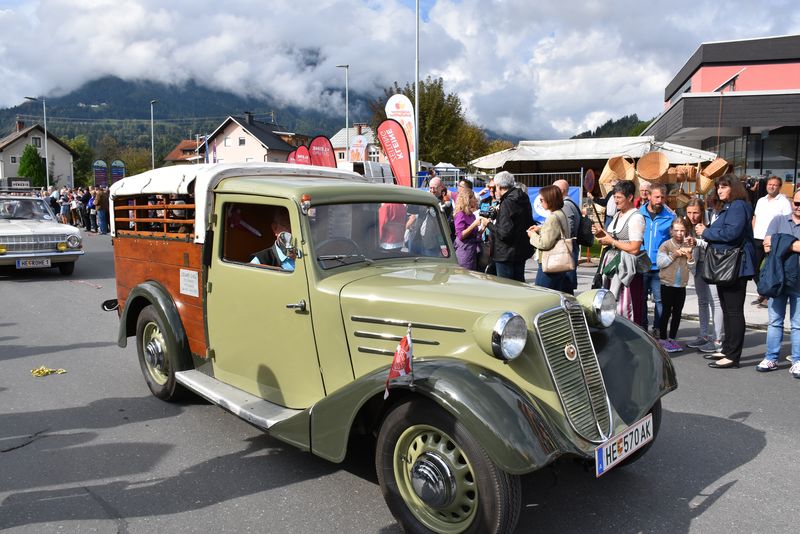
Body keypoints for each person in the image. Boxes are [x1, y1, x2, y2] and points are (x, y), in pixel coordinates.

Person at [695, 174, 756, 369]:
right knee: (727, 308)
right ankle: (727, 349)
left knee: (734, 311)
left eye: (724, 187)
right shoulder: (727, 207)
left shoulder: (738, 206)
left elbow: (732, 234)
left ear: (734, 188)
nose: (719, 190)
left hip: (736, 265)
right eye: (718, 187)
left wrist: (706, 232)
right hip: (726, 264)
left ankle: (733, 355)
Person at [756, 188, 800, 378]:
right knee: (775, 321)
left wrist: (780, 242)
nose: (799, 207)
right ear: (792, 202)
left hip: (799, 281)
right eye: (797, 203)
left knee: (798, 324)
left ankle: (797, 361)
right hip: (777, 278)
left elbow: (774, 244)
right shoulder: (779, 220)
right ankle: (771, 357)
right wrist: (793, 245)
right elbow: (767, 245)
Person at [592, 181, 645, 319]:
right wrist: (601, 234)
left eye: (619, 197)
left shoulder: (636, 218)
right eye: (614, 197)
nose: (616, 201)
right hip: (612, 263)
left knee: (623, 305)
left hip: (625, 268)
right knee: (609, 303)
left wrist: (612, 241)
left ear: (630, 197)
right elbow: (612, 239)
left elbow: (634, 248)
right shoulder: (617, 215)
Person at [684, 198, 725, 353]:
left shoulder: (712, 221)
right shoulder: (688, 224)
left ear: (702, 211)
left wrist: (697, 242)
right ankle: (704, 335)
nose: (692, 216)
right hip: (698, 265)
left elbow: (716, 243)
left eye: (695, 212)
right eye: (689, 213)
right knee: (702, 300)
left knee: (715, 301)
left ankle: (717, 339)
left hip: (713, 264)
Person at [480, 171, 533, 282]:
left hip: (505, 254)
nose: (494, 190)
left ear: (499, 186)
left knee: (506, 286)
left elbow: (504, 233)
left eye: (495, 187)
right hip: (520, 250)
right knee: (519, 283)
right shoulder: (523, 198)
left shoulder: (508, 202)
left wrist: (487, 224)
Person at [639, 183, 675, 336]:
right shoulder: (638, 214)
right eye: (656, 197)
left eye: (662, 197)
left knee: (660, 301)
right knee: (640, 300)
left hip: (660, 266)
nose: (660, 200)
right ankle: (642, 328)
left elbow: (673, 241)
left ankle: (658, 328)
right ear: (649, 196)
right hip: (641, 264)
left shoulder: (670, 217)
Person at [751, 176, 791, 308]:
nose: (771, 186)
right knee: (754, 268)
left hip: (773, 240)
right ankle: (763, 290)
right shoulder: (761, 200)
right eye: (769, 184)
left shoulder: (784, 202)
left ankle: (768, 295)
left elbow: (787, 221)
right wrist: (753, 232)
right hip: (757, 237)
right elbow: (755, 217)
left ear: (779, 187)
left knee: (771, 268)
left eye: (775, 185)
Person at [656, 218, 695, 352]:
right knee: (666, 312)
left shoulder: (689, 245)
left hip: (681, 285)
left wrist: (689, 256)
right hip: (667, 284)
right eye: (676, 230)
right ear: (671, 231)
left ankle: (672, 338)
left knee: (677, 313)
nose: (679, 233)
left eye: (682, 230)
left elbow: (693, 268)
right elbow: (660, 263)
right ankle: (662, 339)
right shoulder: (666, 245)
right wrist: (675, 254)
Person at [527, 185, 574, 293]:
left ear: (550, 200)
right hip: (559, 262)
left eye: (542, 199)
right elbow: (556, 232)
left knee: (541, 294)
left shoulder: (552, 217)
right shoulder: (561, 213)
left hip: (550, 263)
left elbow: (544, 243)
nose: (540, 202)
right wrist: (540, 228)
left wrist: (532, 235)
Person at [553, 179, 580, 292]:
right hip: (570, 246)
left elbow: (570, 226)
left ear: (561, 191)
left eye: (554, 189)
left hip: (567, 247)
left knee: (565, 284)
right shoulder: (570, 203)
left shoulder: (565, 204)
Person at [453, 189, 483, 270]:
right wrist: (474, 225)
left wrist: (483, 227)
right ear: (467, 200)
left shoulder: (471, 215)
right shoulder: (460, 214)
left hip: (472, 251)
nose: (476, 200)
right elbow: (460, 235)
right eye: (473, 198)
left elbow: (474, 234)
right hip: (464, 252)